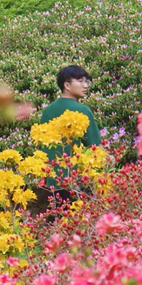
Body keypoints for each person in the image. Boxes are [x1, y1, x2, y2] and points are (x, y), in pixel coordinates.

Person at [33, 65, 102, 214]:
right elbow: (95, 148)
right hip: (78, 181)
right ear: (67, 85)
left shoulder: (48, 111)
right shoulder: (83, 110)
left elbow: (41, 146)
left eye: (87, 82)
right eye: (81, 81)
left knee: (59, 225)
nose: (85, 85)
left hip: (53, 183)